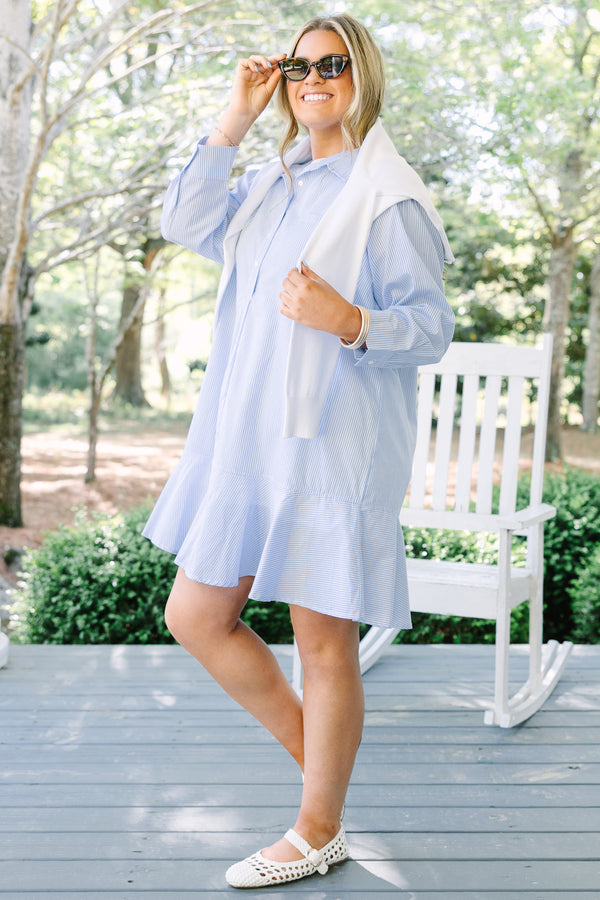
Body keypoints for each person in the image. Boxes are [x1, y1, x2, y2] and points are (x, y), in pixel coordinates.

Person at [143, 13, 454, 889]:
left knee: (324, 643)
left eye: (333, 64)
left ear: (366, 76)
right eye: (298, 67)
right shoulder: (274, 181)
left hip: (329, 450)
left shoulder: (388, 197)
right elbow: (184, 219)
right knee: (196, 616)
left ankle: (317, 826)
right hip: (244, 444)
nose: (313, 77)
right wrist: (234, 117)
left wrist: (349, 318)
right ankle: (321, 765)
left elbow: (431, 329)